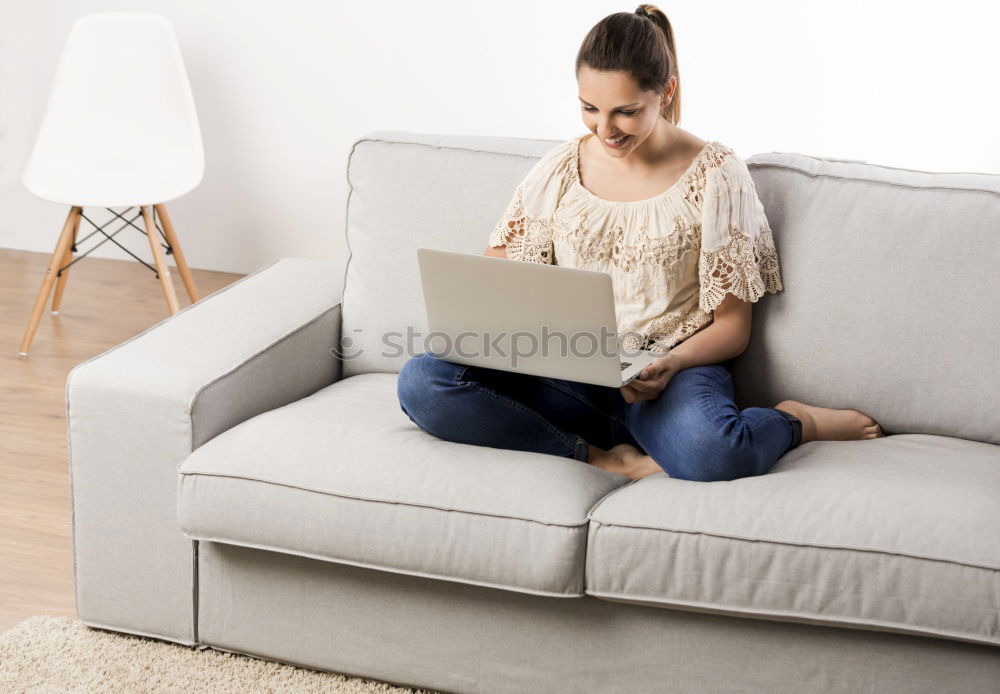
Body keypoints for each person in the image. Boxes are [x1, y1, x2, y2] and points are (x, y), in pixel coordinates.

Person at [396, 4, 885, 482]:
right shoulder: (560, 169)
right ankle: (595, 456)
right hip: (567, 373)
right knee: (424, 381)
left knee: (714, 450)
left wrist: (669, 362)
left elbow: (732, 326)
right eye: (589, 108)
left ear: (665, 92)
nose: (604, 129)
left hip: (666, 379)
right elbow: (496, 274)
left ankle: (798, 420)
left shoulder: (717, 176)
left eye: (625, 112)